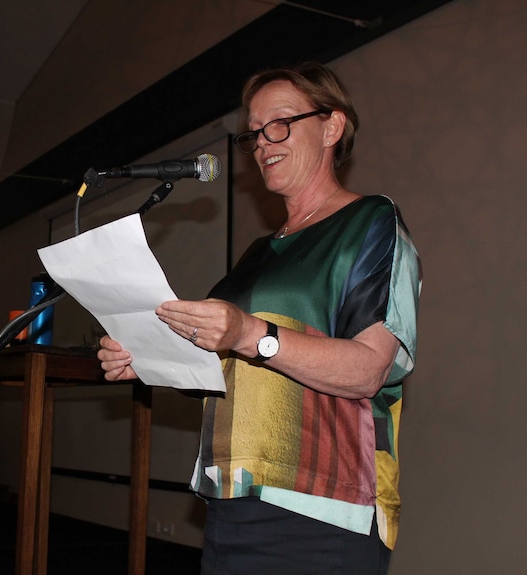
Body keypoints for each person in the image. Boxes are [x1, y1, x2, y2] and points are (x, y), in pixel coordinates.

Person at [97, 62, 421, 574]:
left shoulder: (370, 222)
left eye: (281, 122)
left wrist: (252, 333)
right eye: (254, 132)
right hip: (233, 501)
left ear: (332, 127)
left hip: (323, 508)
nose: (263, 142)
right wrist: (151, 359)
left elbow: (368, 371)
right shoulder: (256, 253)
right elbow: (227, 368)